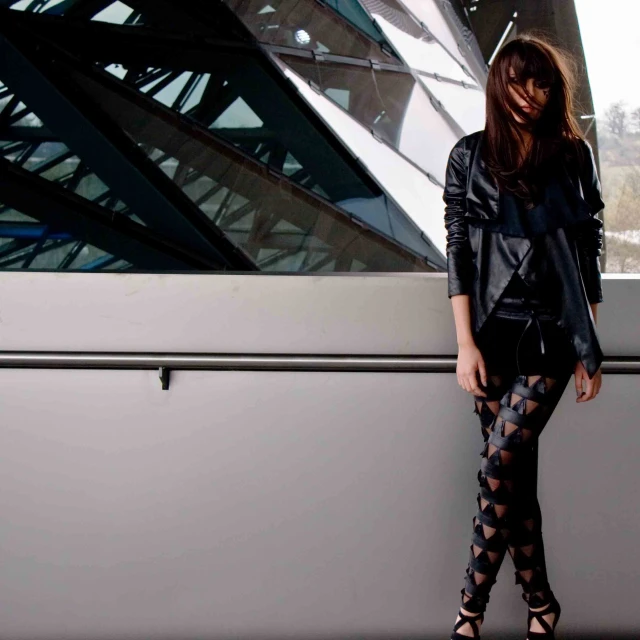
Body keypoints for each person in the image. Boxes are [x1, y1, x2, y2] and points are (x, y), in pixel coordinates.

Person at [443, 34, 605, 640]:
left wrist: (590, 344)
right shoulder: (468, 156)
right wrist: (465, 344)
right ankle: (541, 605)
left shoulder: (571, 155)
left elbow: (587, 249)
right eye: (518, 82)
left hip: (552, 337)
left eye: (541, 84)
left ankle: (468, 611)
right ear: (497, 86)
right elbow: (457, 251)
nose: (530, 95)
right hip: (490, 336)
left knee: (497, 465)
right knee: (513, 480)